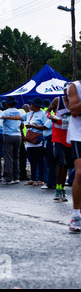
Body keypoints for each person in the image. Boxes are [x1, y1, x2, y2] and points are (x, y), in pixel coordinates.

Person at [46, 83, 73, 202]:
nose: (67, 93)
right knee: (60, 162)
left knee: (67, 164)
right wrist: (51, 117)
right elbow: (48, 111)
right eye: (66, 90)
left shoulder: (76, 101)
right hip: (58, 136)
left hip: (70, 136)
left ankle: (62, 188)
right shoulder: (58, 100)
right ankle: (58, 189)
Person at [67, 80, 81, 232]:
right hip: (78, 135)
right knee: (80, 173)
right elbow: (74, 110)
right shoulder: (75, 87)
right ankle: (76, 215)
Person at [0, 96, 23, 185]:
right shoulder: (19, 112)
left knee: (8, 157)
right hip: (18, 136)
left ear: (7, 104)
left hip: (8, 135)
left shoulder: (5, 112)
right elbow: (21, 125)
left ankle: (9, 178)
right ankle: (16, 177)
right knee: (16, 157)